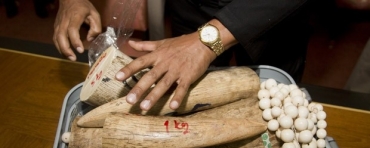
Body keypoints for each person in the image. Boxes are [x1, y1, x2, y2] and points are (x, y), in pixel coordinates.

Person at [53, 0, 315, 111]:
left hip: (270, 15)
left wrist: (205, 41)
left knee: (273, 99)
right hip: (194, 6)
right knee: (186, 100)